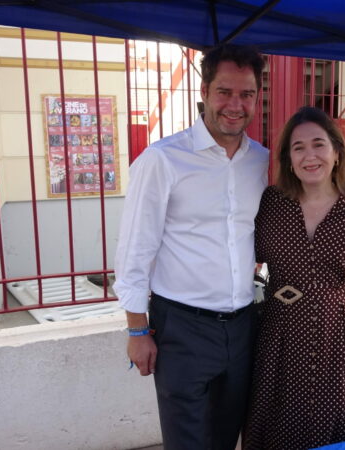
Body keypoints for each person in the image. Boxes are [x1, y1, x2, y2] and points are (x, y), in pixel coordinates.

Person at [113, 44, 268, 450]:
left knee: (226, 439)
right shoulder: (163, 159)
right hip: (181, 328)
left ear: (257, 96)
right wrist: (136, 328)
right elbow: (135, 251)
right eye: (225, 92)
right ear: (203, 90)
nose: (235, 105)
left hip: (243, 325)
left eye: (247, 94)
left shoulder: (263, 162)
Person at [244, 107, 345, 450]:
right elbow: (243, 260)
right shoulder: (271, 204)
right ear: (288, 158)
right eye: (298, 147)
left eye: (319, 144)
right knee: (280, 425)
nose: (309, 156)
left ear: (337, 152)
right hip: (280, 337)